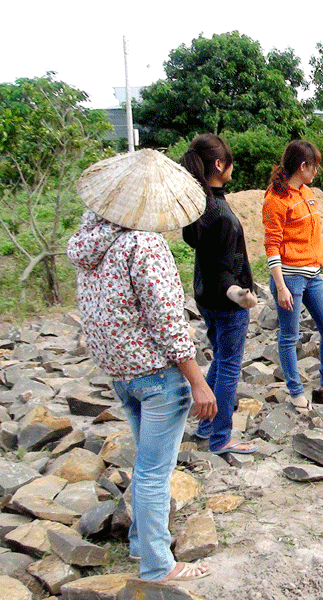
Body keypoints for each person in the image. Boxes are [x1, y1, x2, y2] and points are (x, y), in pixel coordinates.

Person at [68, 149, 216, 583]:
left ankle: (139, 543)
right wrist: (197, 382)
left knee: (145, 465)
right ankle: (157, 566)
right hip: (157, 377)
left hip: (121, 373)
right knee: (155, 472)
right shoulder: (144, 243)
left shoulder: (91, 238)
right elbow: (168, 322)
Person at [263, 140, 323, 407]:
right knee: (289, 336)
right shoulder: (275, 200)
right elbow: (271, 245)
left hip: (313, 273)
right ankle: (295, 392)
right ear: (302, 166)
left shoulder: (307, 193)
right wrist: (280, 287)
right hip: (290, 277)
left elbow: (312, 240)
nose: (316, 171)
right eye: (314, 166)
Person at [180, 134, 258, 455]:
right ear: (218, 165)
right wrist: (238, 293)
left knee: (220, 359)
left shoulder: (199, 207)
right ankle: (220, 437)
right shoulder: (222, 215)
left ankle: (205, 425)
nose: (233, 166)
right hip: (226, 303)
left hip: (205, 298)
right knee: (228, 366)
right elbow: (226, 270)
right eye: (230, 161)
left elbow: (200, 251)